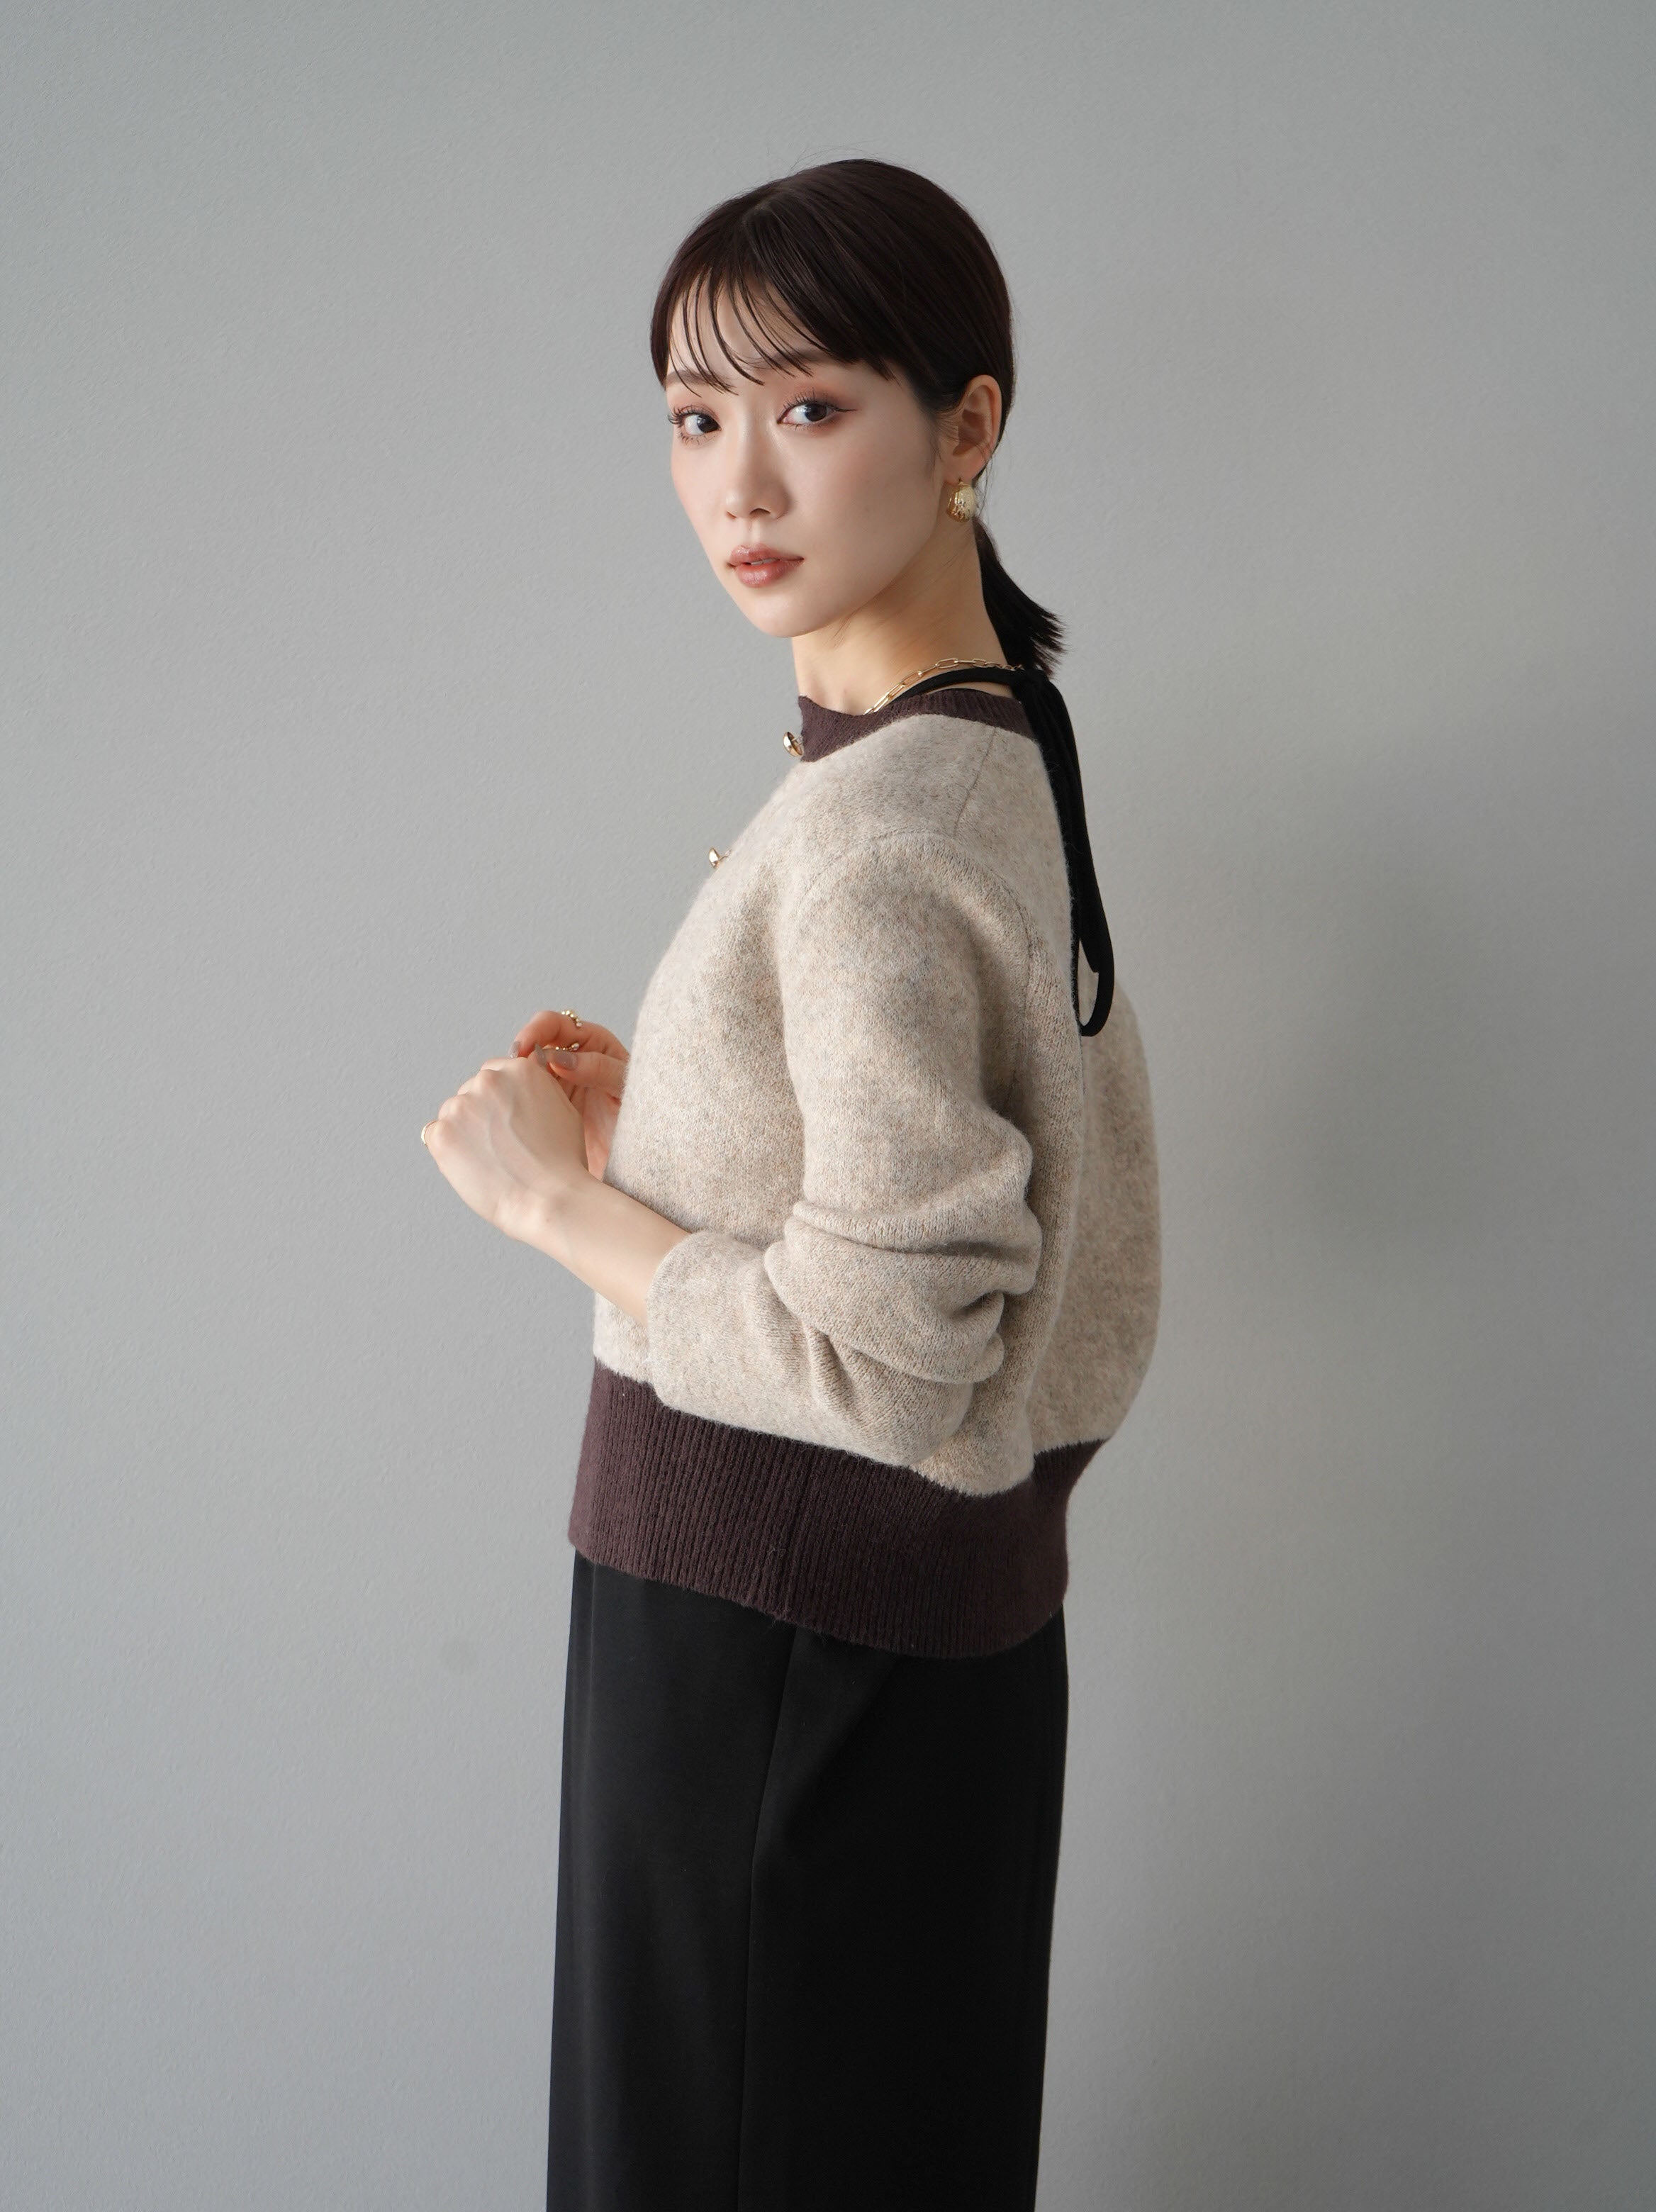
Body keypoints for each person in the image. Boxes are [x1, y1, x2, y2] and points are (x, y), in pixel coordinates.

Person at [420, 157, 1161, 2212]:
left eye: (812, 406)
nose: (738, 483)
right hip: (911, 1657)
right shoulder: (989, 741)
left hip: (774, 1658)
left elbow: (899, 1360)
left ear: (968, 425)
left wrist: (562, 1211)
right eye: (693, 417)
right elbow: (996, 1216)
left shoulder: (879, 830)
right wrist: (682, 1128)